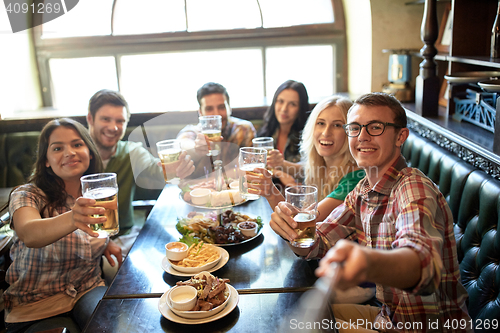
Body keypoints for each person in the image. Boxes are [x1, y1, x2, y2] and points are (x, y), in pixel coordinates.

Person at [271, 93, 472, 332]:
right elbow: (316, 243)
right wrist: (292, 231)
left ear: (401, 136)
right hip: (387, 317)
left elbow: (423, 265)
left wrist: (367, 262)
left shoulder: (413, 188)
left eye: (375, 127)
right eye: (354, 128)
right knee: (292, 318)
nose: (362, 136)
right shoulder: (362, 190)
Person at [4, 118, 123, 333]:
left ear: (90, 152)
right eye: (57, 148)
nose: (69, 153)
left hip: (87, 288)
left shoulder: (96, 194)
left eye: (77, 144)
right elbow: (30, 233)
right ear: (46, 160)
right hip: (37, 304)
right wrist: (72, 218)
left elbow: (89, 233)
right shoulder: (27, 194)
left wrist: (105, 244)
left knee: (111, 325)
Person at [87, 89, 194, 253]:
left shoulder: (131, 152)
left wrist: (176, 168)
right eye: (105, 119)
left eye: (120, 121)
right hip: (81, 241)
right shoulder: (75, 155)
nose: (113, 127)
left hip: (124, 238)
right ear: (90, 119)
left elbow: (157, 170)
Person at [249, 95, 365, 220]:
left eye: (337, 125)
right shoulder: (323, 165)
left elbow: (300, 225)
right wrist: (281, 164)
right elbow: (303, 168)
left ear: (351, 132)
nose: (326, 132)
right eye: (320, 123)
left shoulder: (354, 180)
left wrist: (271, 192)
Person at [256, 80, 310, 188]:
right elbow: (254, 166)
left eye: (292, 104)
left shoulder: (307, 137)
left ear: (301, 108)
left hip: (297, 194)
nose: (284, 109)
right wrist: (279, 173)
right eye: (280, 101)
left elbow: (310, 170)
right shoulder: (266, 133)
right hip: (269, 193)